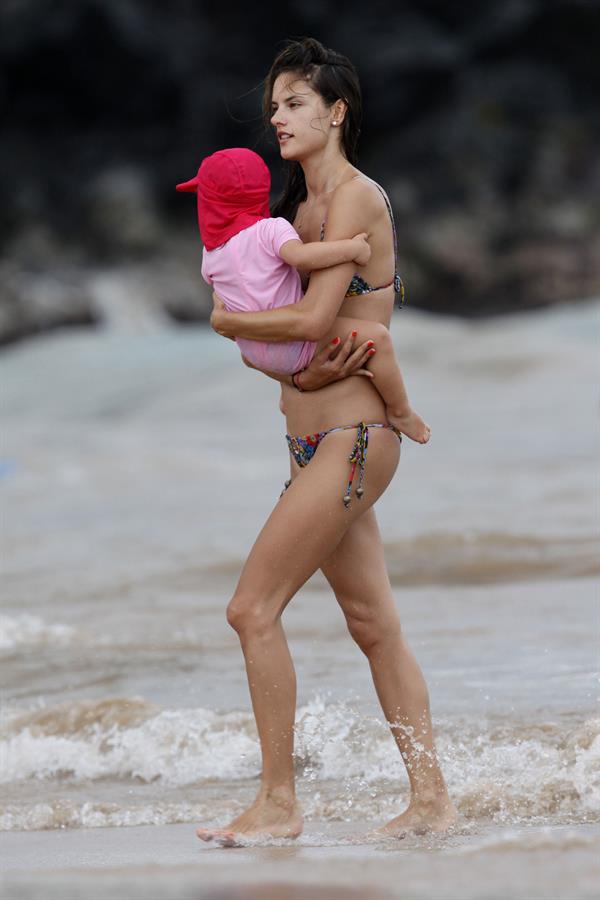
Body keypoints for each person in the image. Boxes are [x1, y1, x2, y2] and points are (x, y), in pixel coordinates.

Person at [196, 37, 458, 846]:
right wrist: (277, 365)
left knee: (251, 608)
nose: (278, 117)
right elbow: (294, 355)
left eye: (296, 103)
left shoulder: (352, 199)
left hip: (354, 437)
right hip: (310, 440)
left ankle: (278, 802)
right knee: (372, 623)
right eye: (274, 105)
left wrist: (229, 321)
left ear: (336, 111)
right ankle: (433, 799)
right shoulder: (287, 215)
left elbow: (309, 324)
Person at [177, 147, 430, 448]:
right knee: (378, 338)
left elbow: (225, 296)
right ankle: (401, 411)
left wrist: (227, 321)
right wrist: (352, 250)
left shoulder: (211, 255)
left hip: (254, 351)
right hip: (293, 347)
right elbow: (302, 257)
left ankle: (291, 389)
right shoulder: (271, 229)